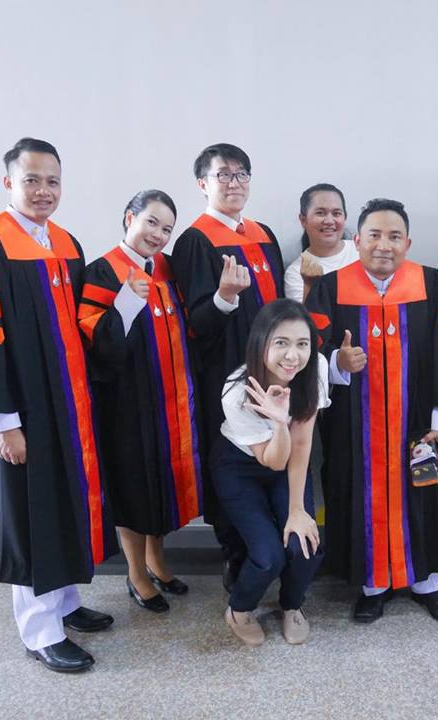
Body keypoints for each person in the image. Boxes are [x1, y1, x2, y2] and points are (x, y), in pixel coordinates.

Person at [0, 138, 117, 673]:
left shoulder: (65, 243)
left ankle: (64, 603)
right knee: (31, 510)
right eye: (32, 180)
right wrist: (2, 423)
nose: (44, 191)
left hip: (67, 404)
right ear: (8, 183)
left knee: (62, 501)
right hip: (21, 407)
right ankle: (40, 630)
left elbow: (84, 325)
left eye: (52, 181)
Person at [306, 198, 438, 626]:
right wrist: (337, 364)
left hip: (417, 424)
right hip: (354, 429)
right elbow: (305, 353)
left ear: (408, 243)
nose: (384, 245)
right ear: (357, 240)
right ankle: (372, 585)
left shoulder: (431, 285)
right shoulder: (330, 288)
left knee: (425, 490)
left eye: (395, 236)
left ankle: (429, 584)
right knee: (357, 494)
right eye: (374, 235)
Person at [78, 189, 202, 614]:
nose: (158, 235)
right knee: (134, 487)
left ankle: (157, 561)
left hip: (171, 401)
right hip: (128, 405)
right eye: (151, 222)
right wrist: (128, 300)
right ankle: (135, 574)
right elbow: (97, 343)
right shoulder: (103, 271)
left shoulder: (167, 268)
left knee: (161, 486)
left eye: (167, 229)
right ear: (130, 218)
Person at [171, 143, 285, 592]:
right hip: (226, 377)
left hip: (276, 374)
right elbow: (195, 325)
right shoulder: (195, 241)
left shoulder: (263, 234)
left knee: (276, 458)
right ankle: (237, 557)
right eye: (223, 175)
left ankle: (275, 555)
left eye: (241, 174)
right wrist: (225, 298)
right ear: (203, 184)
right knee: (235, 461)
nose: (234, 183)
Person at [212, 299, 327, 646]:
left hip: (289, 460)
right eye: (282, 343)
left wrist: (297, 510)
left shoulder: (315, 369)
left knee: (303, 544)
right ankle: (239, 610)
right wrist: (278, 421)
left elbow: (302, 443)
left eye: (302, 344)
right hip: (240, 466)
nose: (293, 355)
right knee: (268, 556)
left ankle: (291, 605)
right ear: (261, 342)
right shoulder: (236, 392)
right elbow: (272, 460)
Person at [283, 183, 359, 303]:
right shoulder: (297, 273)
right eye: (320, 213)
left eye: (336, 213)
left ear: (345, 218)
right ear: (303, 220)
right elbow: (305, 315)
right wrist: (309, 285)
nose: (329, 221)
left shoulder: (363, 252)